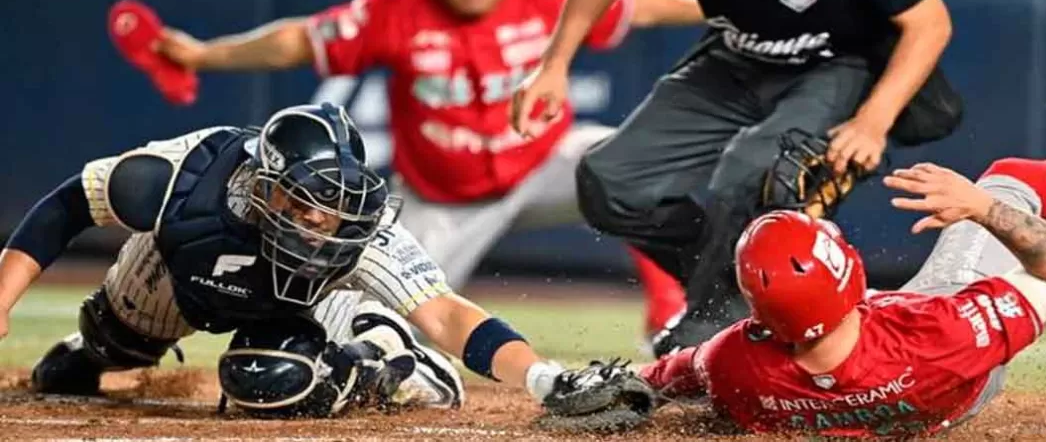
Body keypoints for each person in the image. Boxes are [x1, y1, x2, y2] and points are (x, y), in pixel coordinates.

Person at [147, 0, 705, 337]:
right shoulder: (396, 9)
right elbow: (298, 40)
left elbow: (644, 3)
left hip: (543, 160)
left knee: (635, 165)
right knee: (362, 321)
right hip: (444, 199)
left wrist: (729, 6)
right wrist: (204, 54)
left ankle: (671, 315)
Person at [511, 0, 963, 356]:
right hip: (735, 54)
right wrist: (554, 65)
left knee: (753, 172)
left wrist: (873, 120)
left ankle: (710, 328)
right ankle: (748, 285)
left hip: (836, 64)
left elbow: (929, 23)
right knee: (609, 182)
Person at [636, 55, 1046, 436]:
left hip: (878, 391)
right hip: (951, 382)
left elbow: (664, 378)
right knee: (1006, 182)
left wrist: (605, 387)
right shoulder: (941, 332)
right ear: (854, 280)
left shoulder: (734, 366)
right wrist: (981, 208)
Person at [0, 103, 621, 416]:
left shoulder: (355, 232)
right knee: (94, 352)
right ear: (263, 182)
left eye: (338, 201)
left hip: (297, 307)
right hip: (185, 268)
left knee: (271, 382)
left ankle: (388, 363)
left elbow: (447, 315)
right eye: (307, 199)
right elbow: (68, 205)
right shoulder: (181, 176)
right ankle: (97, 350)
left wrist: (544, 378)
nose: (326, 219)